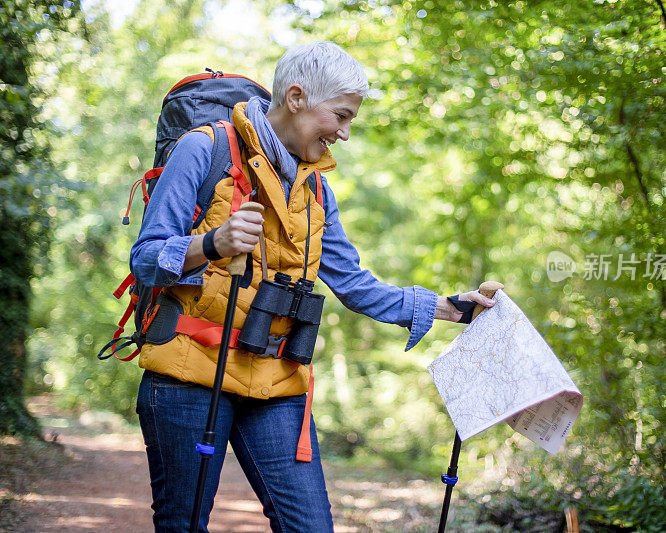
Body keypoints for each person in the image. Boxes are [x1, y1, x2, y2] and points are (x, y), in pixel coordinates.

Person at [131, 41, 497, 532]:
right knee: (183, 524)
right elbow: (146, 259)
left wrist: (451, 309)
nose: (345, 134)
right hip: (191, 372)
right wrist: (212, 243)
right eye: (341, 116)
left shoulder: (317, 188)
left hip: (277, 379)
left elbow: (354, 283)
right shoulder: (206, 148)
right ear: (298, 97)